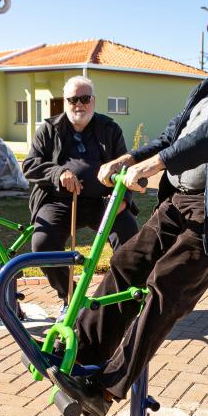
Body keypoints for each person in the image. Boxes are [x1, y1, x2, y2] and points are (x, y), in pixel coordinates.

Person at [48, 8, 208, 416]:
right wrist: (130, 157)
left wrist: (153, 165)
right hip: (179, 201)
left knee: (166, 284)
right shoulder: (205, 90)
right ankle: (78, 356)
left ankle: (105, 389)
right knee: (126, 263)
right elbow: (172, 134)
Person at [21, 76, 139, 318]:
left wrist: (123, 200)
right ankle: (71, 299)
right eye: (73, 99)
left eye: (85, 98)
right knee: (42, 244)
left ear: (93, 101)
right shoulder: (48, 129)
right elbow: (30, 165)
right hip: (59, 201)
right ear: (64, 102)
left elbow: (125, 166)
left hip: (103, 202)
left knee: (129, 235)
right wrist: (58, 173)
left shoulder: (110, 129)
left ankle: (123, 299)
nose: (79, 105)